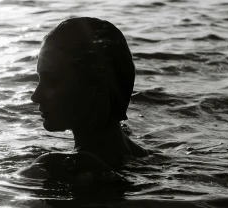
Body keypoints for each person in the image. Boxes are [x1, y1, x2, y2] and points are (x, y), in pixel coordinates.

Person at [23, 17, 148, 182]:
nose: (36, 96)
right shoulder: (145, 158)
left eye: (52, 81)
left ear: (94, 88)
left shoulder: (56, 167)